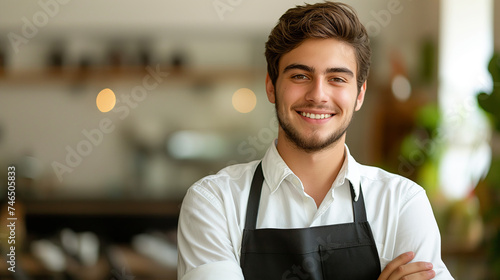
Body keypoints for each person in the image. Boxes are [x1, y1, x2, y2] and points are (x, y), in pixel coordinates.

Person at [177, 1, 454, 279]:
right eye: (300, 75)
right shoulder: (214, 202)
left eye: (336, 78)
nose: (318, 95)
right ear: (271, 86)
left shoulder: (402, 203)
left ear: (359, 94)